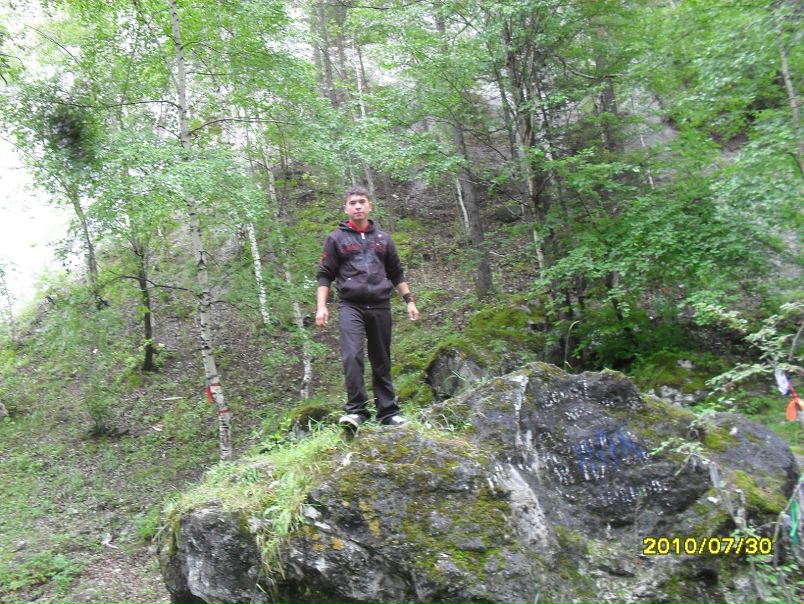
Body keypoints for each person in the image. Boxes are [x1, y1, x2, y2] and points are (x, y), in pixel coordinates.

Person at [315, 185, 420, 429]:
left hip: (381, 304)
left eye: (362, 202)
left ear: (370, 205)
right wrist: (321, 307)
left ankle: (388, 412)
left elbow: (396, 273)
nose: (358, 206)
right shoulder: (336, 239)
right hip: (351, 305)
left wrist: (409, 301)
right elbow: (325, 274)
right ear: (345, 208)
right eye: (353, 203)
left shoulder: (383, 239)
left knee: (381, 358)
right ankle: (356, 412)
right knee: (352, 355)